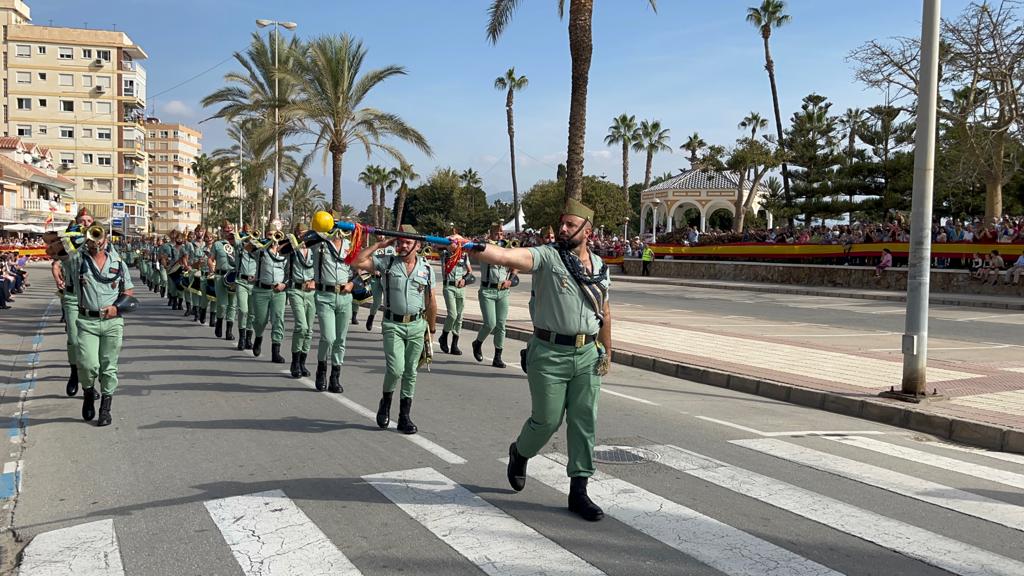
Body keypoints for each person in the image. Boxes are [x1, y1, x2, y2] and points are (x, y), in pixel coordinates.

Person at [449, 198, 612, 522]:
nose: (562, 229)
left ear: (587, 231)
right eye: (561, 223)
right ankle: (520, 452)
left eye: (569, 224)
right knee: (547, 420)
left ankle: (579, 490)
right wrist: (471, 247)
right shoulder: (549, 256)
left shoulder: (599, 267)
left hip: (587, 353)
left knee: (584, 422)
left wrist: (608, 352)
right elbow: (509, 256)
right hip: (549, 353)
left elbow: (605, 311)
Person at [352, 225, 437, 435]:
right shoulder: (387, 262)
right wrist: (380, 245)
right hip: (393, 325)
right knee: (396, 368)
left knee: (410, 372)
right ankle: (385, 402)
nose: (403, 245)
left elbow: (431, 300)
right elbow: (356, 262)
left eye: (408, 242)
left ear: (417, 245)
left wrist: (432, 329)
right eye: (400, 241)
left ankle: (404, 416)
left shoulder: (426, 268)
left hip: (417, 325)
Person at [71, 224, 135, 427]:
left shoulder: (118, 262)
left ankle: (105, 409)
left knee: (109, 367)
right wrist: (78, 242)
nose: (96, 241)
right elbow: (55, 252)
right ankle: (88, 392)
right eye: (92, 237)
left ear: (105, 239)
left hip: (112, 323)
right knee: (88, 364)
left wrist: (117, 308)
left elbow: (129, 292)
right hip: (87, 321)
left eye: (98, 237)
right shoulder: (78, 262)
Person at [51, 209, 92, 396]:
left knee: (90, 345)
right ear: (76, 222)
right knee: (75, 340)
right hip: (73, 296)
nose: (85, 223)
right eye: (81, 220)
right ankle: (74, 373)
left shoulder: (98, 241)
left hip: (93, 298)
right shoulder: (68, 241)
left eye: (88, 220)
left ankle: (89, 384)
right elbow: (55, 258)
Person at [311, 224, 354, 391]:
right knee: (328, 337)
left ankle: (335, 377)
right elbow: (296, 243)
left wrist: (352, 283)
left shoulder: (350, 245)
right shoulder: (318, 243)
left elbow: (362, 268)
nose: (337, 231)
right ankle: (321, 370)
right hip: (324, 296)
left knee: (340, 340)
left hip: (344, 296)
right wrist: (318, 230)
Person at [472, 224, 517, 368]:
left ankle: (498, 356)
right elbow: (474, 249)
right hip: (487, 291)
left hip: (503, 291)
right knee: (490, 323)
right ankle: (477, 343)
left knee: (501, 324)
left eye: (501, 233)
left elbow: (515, 264)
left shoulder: (506, 248)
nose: (500, 235)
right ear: (490, 233)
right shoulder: (485, 247)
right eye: (497, 232)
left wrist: (511, 279)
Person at [250, 230, 288, 363]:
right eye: (270, 235)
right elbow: (248, 247)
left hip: (278, 292)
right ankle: (258, 337)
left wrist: (285, 284)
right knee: (260, 321)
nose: (274, 238)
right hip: (261, 290)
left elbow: (289, 271)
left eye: (276, 235)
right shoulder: (260, 250)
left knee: (278, 319)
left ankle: (275, 351)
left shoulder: (285, 252)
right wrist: (262, 243)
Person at [438, 237, 472, 356]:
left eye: (455, 243)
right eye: (451, 243)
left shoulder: (463, 255)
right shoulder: (445, 254)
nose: (454, 244)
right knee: (452, 314)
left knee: (459, 316)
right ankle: (444, 336)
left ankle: (454, 344)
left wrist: (464, 279)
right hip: (449, 286)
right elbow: (436, 245)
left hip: (460, 288)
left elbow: (469, 271)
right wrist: (447, 241)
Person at [211, 221, 237, 341]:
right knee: (222, 304)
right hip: (220, 276)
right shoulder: (217, 244)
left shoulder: (238, 244)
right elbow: (211, 259)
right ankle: (220, 321)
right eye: (226, 229)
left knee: (232, 304)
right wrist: (211, 266)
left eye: (230, 229)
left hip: (234, 276)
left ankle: (229, 331)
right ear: (222, 231)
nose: (228, 231)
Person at [234, 224, 258, 351]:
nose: (250, 235)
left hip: (254, 284)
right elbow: (237, 241)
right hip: (241, 281)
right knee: (243, 310)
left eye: (251, 232)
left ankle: (249, 338)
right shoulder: (240, 247)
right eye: (247, 232)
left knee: (252, 313)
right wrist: (242, 235)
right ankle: (242, 338)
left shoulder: (258, 249)